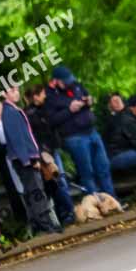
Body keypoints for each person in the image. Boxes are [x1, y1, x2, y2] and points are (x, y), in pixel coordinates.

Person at [45, 65, 116, 197]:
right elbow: (51, 121)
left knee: (103, 168)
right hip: (74, 137)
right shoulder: (49, 97)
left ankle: (113, 201)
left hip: (92, 132)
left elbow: (87, 96)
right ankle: (97, 205)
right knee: (87, 172)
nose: (69, 83)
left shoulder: (76, 85)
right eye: (65, 81)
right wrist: (69, 110)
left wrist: (89, 101)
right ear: (56, 81)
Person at [0, 86, 61, 235]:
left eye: (16, 90)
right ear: (4, 94)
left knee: (32, 191)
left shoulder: (12, 110)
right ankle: (45, 225)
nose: (16, 93)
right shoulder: (9, 112)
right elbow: (17, 138)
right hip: (25, 159)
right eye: (12, 91)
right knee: (36, 191)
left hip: (27, 157)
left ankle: (37, 223)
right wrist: (27, 159)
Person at [24, 85, 75, 226]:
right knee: (58, 181)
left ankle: (65, 213)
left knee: (56, 182)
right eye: (42, 94)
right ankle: (69, 212)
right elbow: (38, 135)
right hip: (46, 153)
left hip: (50, 150)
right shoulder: (31, 114)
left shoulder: (42, 109)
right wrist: (43, 152)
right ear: (35, 96)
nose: (44, 97)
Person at [0, 97, 29, 226]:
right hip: (6, 161)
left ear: (0, 104)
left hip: (23, 156)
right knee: (14, 191)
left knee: (30, 186)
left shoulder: (12, 118)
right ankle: (24, 221)